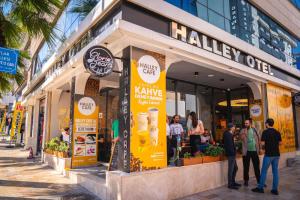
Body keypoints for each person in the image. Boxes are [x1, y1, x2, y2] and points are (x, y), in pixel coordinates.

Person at [252, 118, 282, 195]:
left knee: (264, 171)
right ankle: (275, 190)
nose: (265, 124)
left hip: (268, 155)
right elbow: (280, 143)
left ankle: (260, 188)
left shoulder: (265, 132)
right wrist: (274, 144)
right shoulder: (277, 132)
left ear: (267, 124)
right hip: (276, 155)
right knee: (275, 172)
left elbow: (262, 144)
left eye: (266, 123)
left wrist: (263, 147)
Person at [240, 118, 261, 186]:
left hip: (254, 151)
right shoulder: (243, 130)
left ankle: (259, 181)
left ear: (250, 123)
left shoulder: (255, 130)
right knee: (246, 167)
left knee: (256, 167)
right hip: (246, 151)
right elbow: (242, 138)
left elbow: (258, 139)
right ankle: (246, 181)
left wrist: (259, 149)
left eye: (247, 123)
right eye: (245, 123)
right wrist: (246, 130)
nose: (245, 124)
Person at [223, 123, 241, 190]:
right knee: (231, 169)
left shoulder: (229, 134)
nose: (235, 128)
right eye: (234, 127)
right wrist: (233, 151)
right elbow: (228, 145)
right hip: (231, 154)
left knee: (235, 168)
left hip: (232, 153)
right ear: (231, 127)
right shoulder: (227, 134)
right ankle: (230, 184)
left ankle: (233, 182)